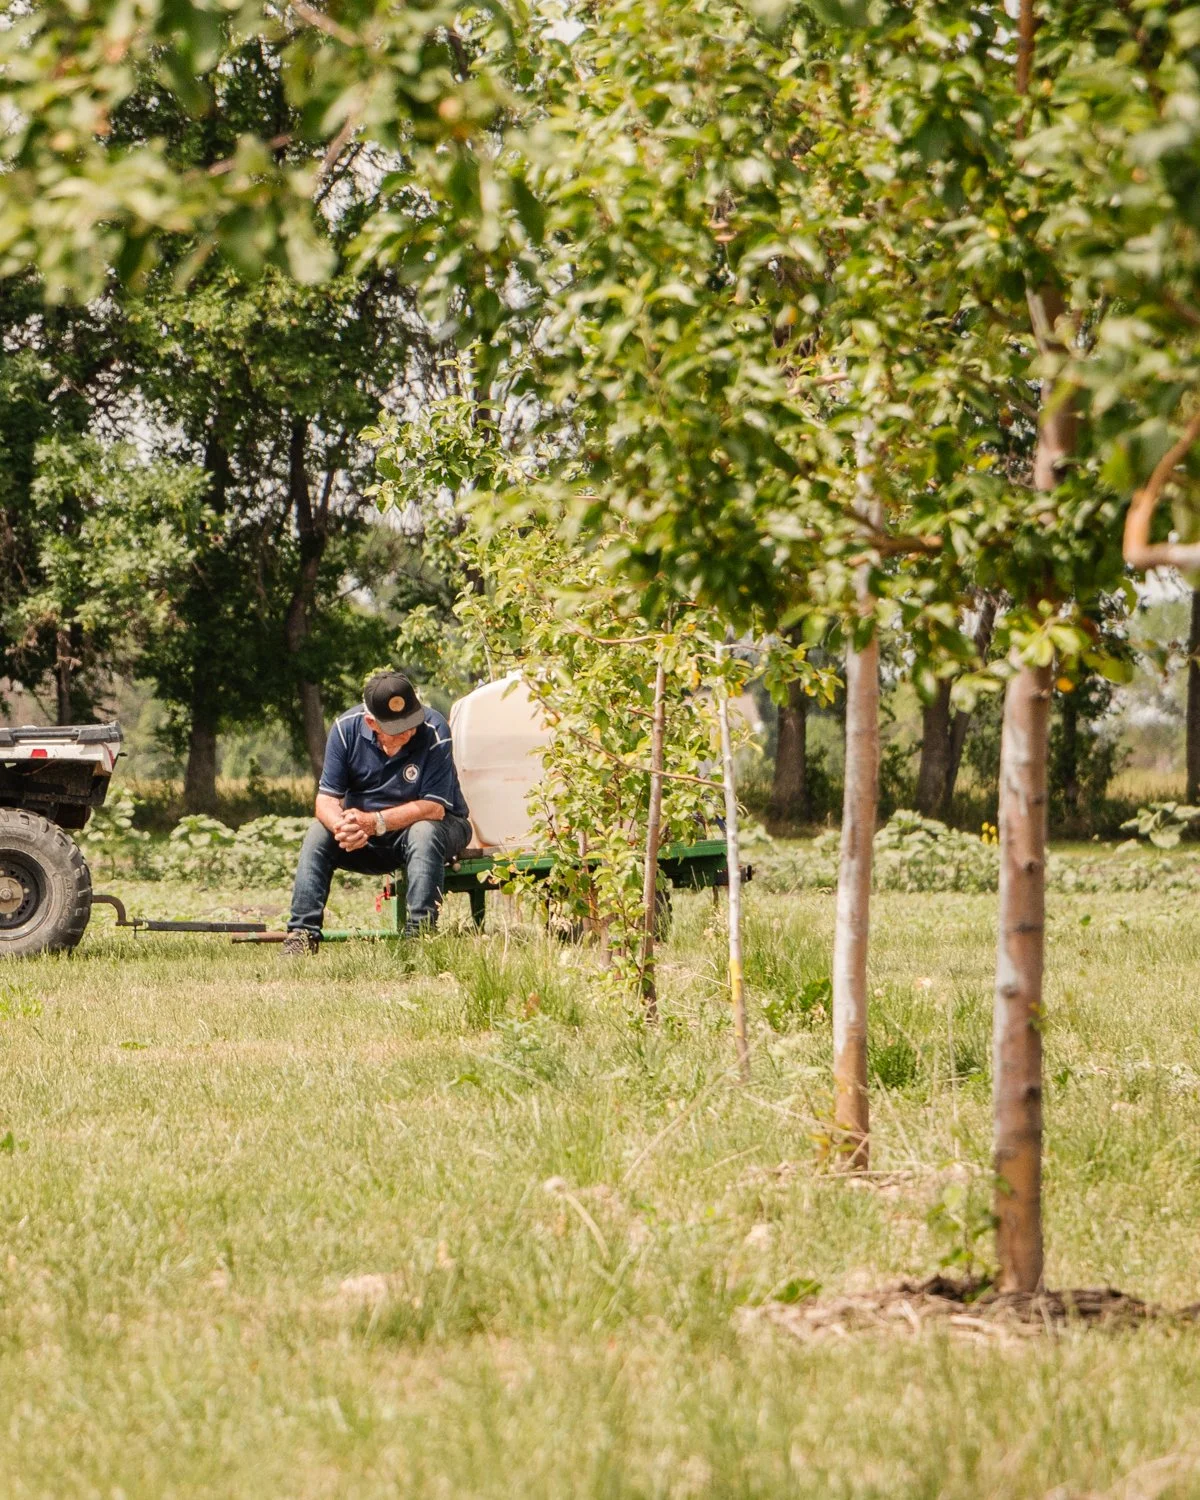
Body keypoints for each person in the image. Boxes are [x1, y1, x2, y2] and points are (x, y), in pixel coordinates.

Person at [282, 671, 473, 953]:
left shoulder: (434, 730)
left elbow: (433, 808)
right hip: (367, 835)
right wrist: (342, 827)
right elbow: (325, 801)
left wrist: (375, 822)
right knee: (318, 832)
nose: (408, 732)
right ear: (371, 722)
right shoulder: (344, 729)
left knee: (423, 831)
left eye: (411, 722)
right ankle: (302, 933)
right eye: (398, 728)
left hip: (437, 827)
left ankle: (420, 937)